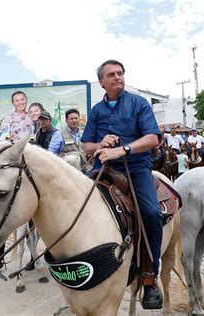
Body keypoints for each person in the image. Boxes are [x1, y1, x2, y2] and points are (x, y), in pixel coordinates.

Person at [81, 59, 163, 309]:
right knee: (75, 205)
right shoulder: (96, 111)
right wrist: (101, 144)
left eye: (120, 73)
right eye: (111, 74)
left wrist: (124, 149)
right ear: (102, 82)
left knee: (150, 212)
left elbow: (153, 138)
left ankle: (149, 277)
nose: (117, 77)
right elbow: (86, 145)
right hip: (102, 168)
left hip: (136, 168)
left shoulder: (139, 103)